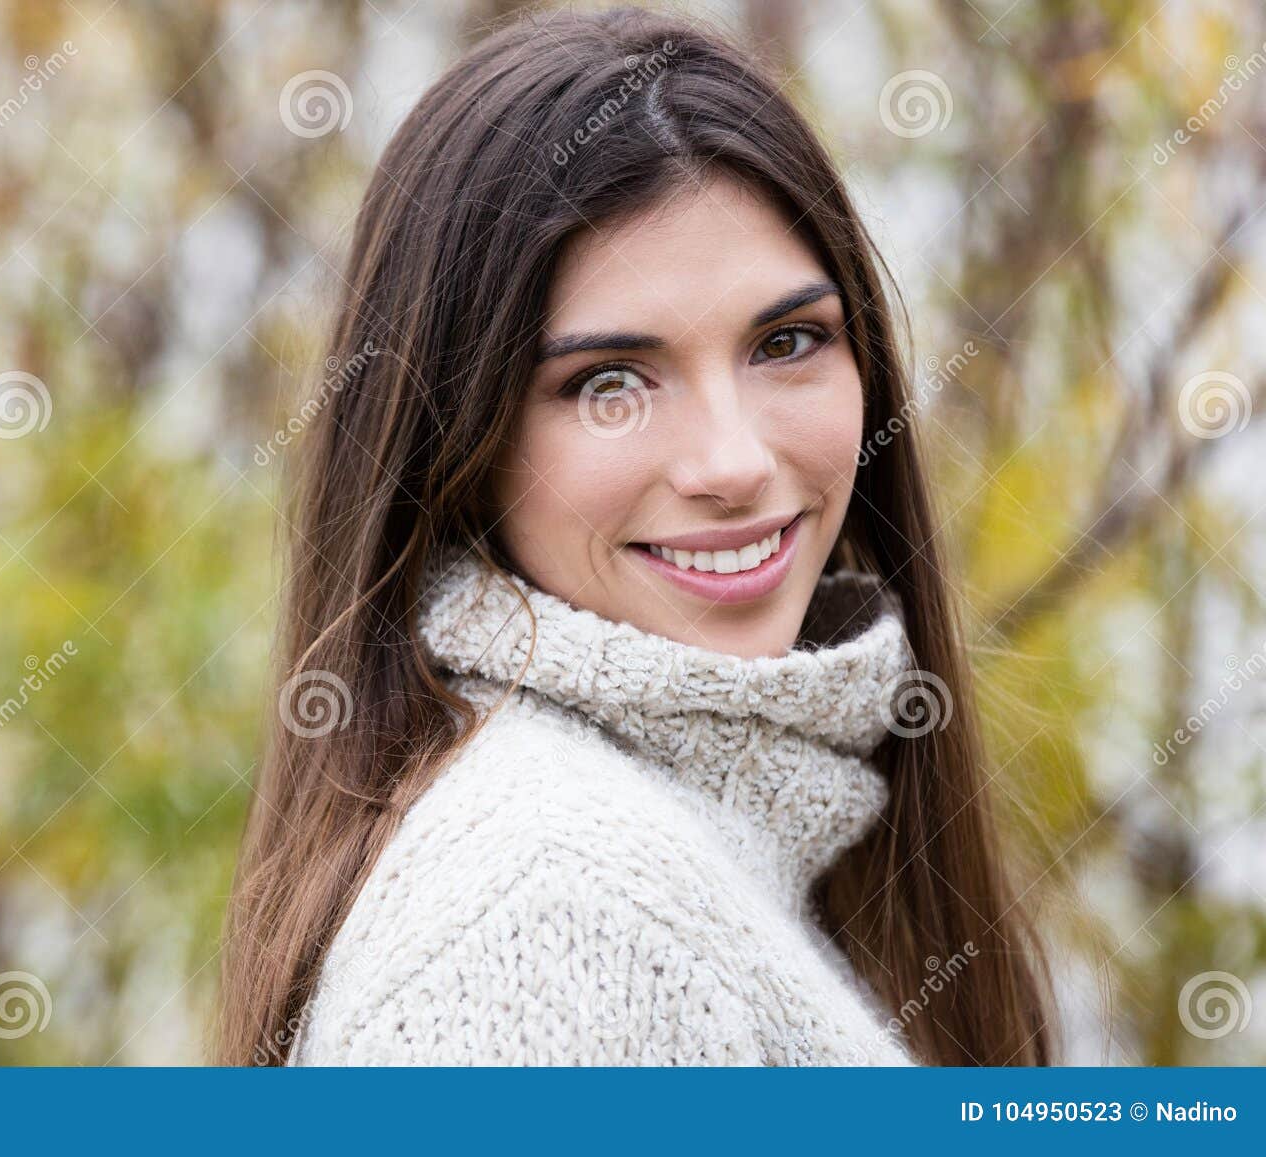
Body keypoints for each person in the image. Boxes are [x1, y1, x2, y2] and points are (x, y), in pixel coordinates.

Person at [218, 5, 1054, 1066]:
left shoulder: (731, 846)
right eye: (609, 382)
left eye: (787, 341)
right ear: (452, 447)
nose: (734, 461)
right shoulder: (544, 911)